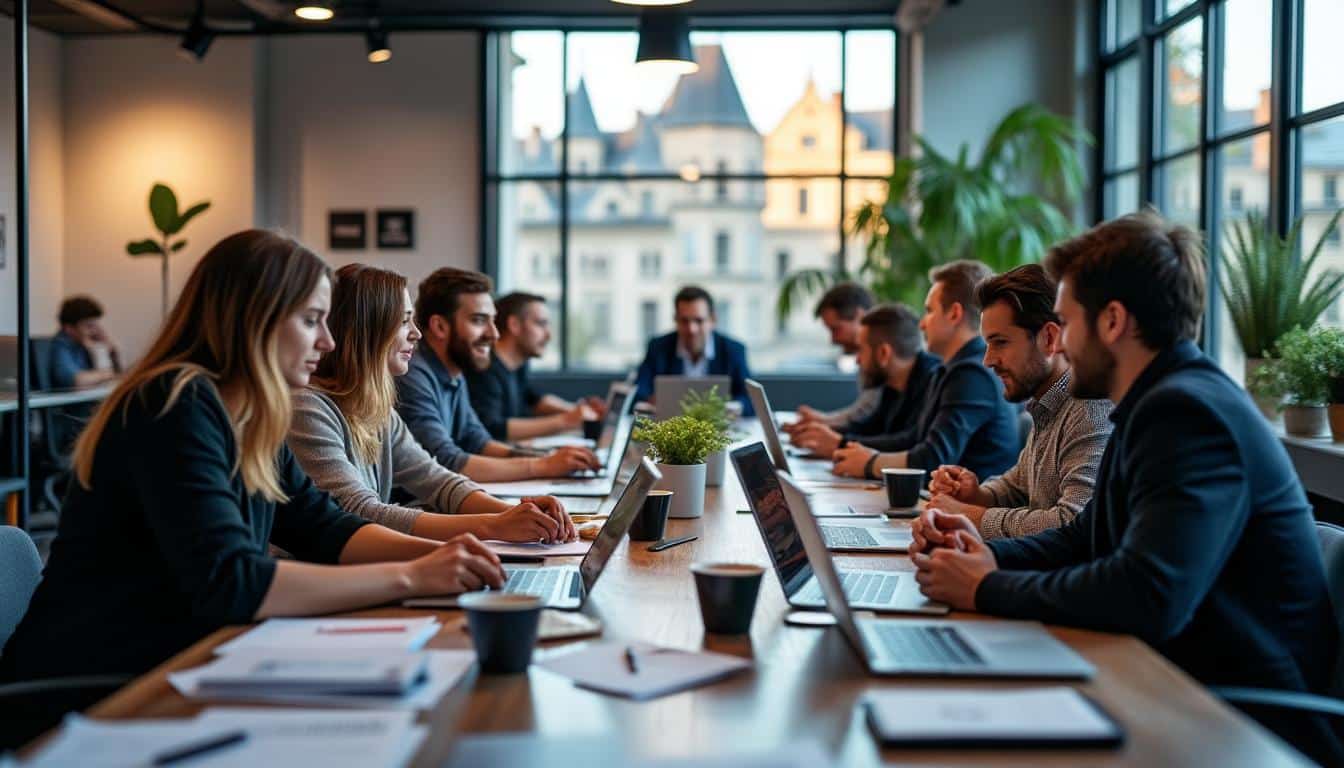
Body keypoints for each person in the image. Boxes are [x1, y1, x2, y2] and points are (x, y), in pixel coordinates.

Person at [909, 212, 1341, 764]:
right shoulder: (1152, 402)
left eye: (1067, 322)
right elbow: (1084, 537)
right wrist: (982, 553)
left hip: (1240, 724)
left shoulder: (1188, 414)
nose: (1062, 343)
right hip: (1173, 684)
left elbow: (1147, 594)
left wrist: (986, 588)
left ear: (1112, 321)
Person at [0, 230, 507, 693]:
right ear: (254, 320)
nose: (328, 341)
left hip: (179, 663)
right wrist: (413, 575)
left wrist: (444, 556)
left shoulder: (250, 414)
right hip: (93, 686)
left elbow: (323, 526)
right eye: (311, 320)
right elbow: (232, 580)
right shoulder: (173, 405)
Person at [289, 265, 576, 544]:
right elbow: (358, 512)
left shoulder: (377, 409)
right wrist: (494, 525)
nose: (416, 333)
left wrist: (515, 513)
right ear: (366, 330)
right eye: (404, 321)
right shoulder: (307, 408)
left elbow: (436, 478)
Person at [925, 265, 1113, 540]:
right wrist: (975, 494)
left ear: (1049, 338)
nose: (988, 360)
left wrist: (972, 517)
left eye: (1000, 342)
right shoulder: (1047, 404)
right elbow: (1017, 487)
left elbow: (1074, 521)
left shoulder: (1091, 409)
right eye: (987, 344)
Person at [395, 268, 600, 482]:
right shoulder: (413, 375)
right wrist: (543, 465)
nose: (494, 334)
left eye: (492, 321)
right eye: (478, 320)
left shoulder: (454, 371)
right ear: (440, 326)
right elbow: (445, 462)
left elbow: (478, 442)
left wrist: (548, 458)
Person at [831, 261, 1019, 481]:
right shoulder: (949, 369)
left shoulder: (972, 373)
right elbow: (914, 439)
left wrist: (870, 463)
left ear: (954, 314)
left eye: (929, 311)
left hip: (969, 501)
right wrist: (849, 448)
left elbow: (933, 459)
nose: (921, 324)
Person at [788, 304, 939, 457]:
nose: (857, 360)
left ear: (883, 353)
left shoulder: (934, 381)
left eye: (861, 349)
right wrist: (822, 433)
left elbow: (910, 442)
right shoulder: (893, 383)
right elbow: (872, 427)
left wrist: (841, 443)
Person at [465, 291, 606, 442]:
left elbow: (535, 400)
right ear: (514, 325)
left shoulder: (518, 364)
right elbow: (492, 429)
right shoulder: (484, 368)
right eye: (541, 324)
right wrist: (567, 420)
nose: (549, 335)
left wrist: (577, 410)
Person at [633, 285, 754, 416]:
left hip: (720, 425)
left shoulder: (733, 350)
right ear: (675, 320)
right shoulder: (658, 348)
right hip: (670, 425)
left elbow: (750, 400)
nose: (692, 329)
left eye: (699, 321)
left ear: (713, 320)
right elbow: (638, 392)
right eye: (684, 321)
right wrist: (650, 401)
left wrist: (733, 407)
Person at [784, 282, 879, 432]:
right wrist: (822, 420)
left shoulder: (883, 359)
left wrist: (825, 425)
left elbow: (869, 418)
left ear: (860, 316)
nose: (833, 340)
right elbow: (863, 411)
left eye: (836, 329)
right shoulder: (867, 359)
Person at [49, 295, 120, 390]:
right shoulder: (60, 345)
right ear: (69, 329)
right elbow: (77, 381)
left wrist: (112, 353)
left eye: (96, 325)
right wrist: (98, 352)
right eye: (89, 326)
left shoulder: (82, 344)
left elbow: (114, 376)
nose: (95, 331)